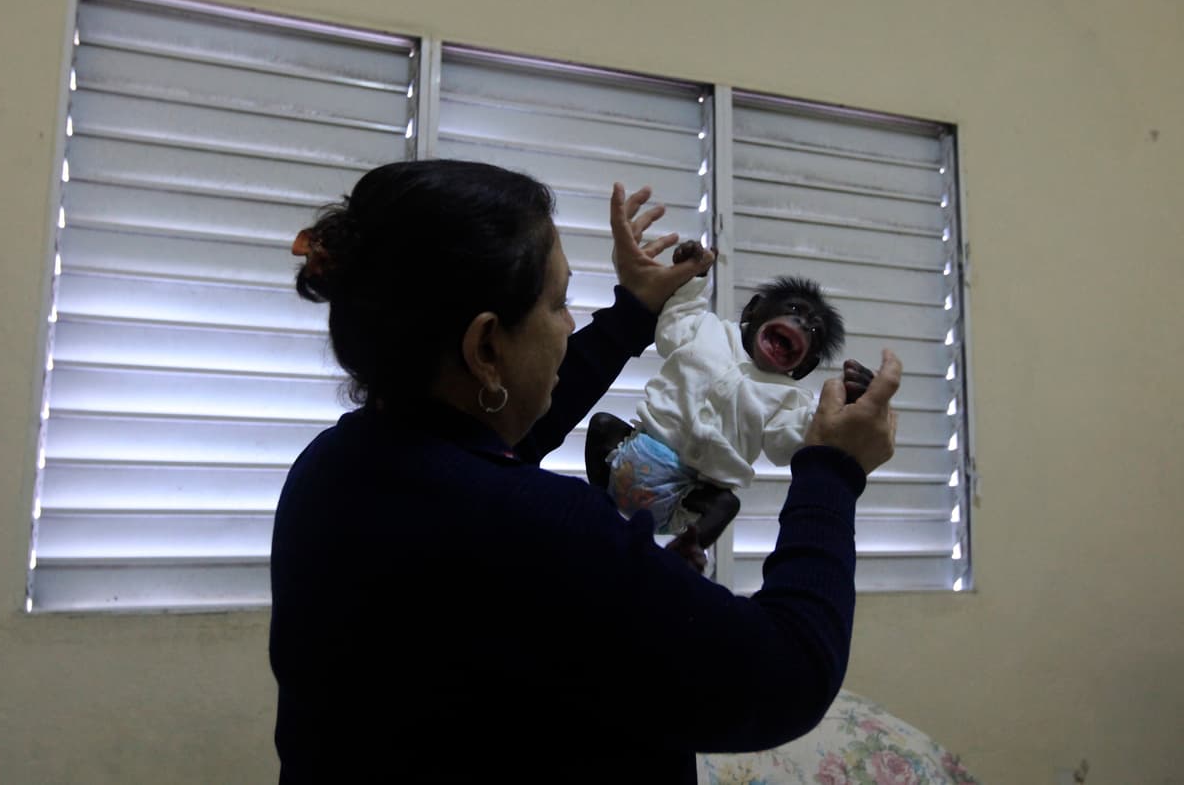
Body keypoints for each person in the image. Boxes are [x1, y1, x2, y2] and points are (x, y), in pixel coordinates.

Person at [268, 159, 902, 784]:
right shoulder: (540, 530)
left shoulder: (332, 470)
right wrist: (833, 471)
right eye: (559, 302)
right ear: (487, 347)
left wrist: (633, 314)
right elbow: (787, 675)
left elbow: (506, 449)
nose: (571, 325)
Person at [586, 241, 878, 550]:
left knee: (726, 505)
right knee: (603, 425)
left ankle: (685, 552)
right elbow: (674, 325)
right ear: (754, 310)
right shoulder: (708, 331)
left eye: (813, 331)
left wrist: (846, 402)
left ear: (805, 366)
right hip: (634, 455)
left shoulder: (789, 397)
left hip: (690, 493)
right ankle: (597, 505)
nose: (803, 323)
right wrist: (693, 277)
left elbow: (788, 442)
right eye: (794, 310)